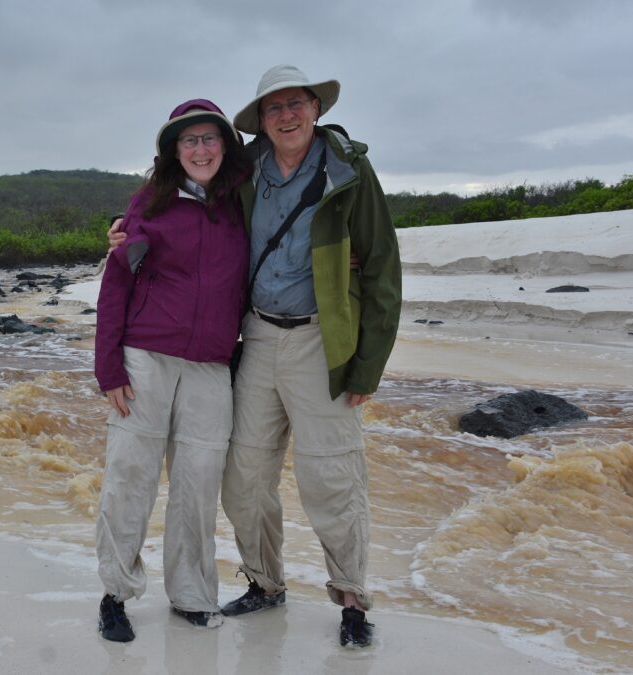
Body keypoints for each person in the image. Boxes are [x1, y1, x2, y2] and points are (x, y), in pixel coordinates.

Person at [108, 65, 401, 647]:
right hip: (257, 338)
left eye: (296, 104)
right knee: (243, 480)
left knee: (332, 476)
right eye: (274, 109)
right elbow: (163, 209)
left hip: (324, 339)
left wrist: (367, 365)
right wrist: (121, 230)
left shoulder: (349, 172)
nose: (286, 116)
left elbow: (383, 269)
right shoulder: (247, 173)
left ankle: (351, 600)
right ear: (260, 123)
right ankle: (266, 583)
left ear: (315, 108)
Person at [93, 99, 250, 642]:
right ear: (172, 150)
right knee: (130, 477)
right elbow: (117, 284)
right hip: (147, 358)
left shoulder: (240, 205)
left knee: (198, 484)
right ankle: (115, 594)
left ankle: (191, 595)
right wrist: (108, 367)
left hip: (211, 365)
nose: (201, 149)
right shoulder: (148, 204)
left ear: (225, 146)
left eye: (211, 139)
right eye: (190, 141)